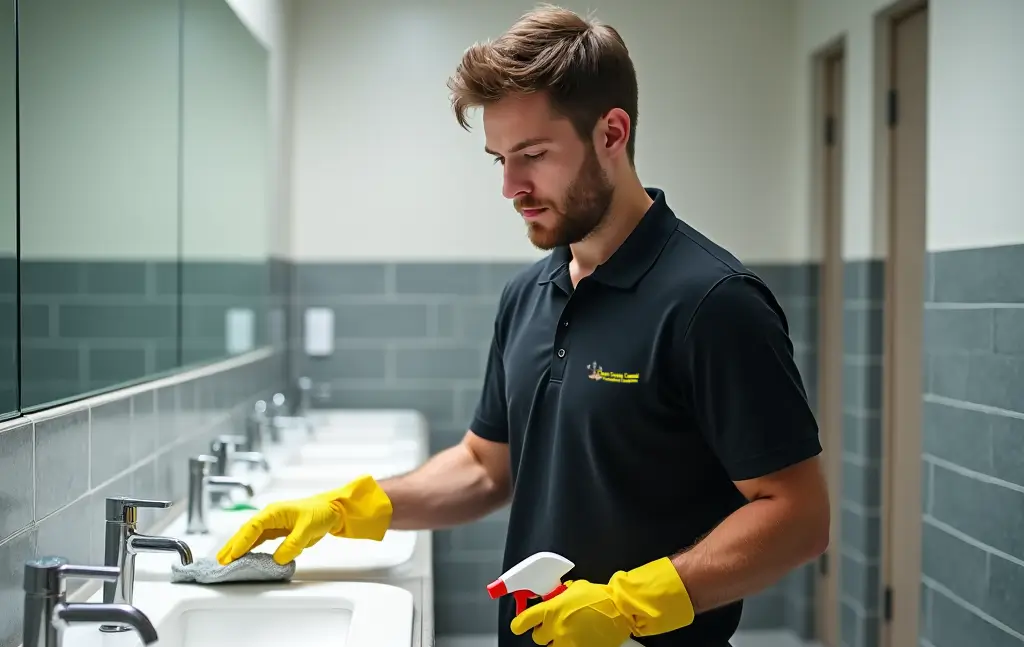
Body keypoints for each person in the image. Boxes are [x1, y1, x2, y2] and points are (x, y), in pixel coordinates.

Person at [216, 5, 831, 646]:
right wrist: (349, 507)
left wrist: (632, 604)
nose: (511, 186)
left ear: (612, 133)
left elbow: (797, 516)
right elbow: (487, 467)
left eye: (533, 154)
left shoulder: (713, 302)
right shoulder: (527, 295)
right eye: (498, 159)